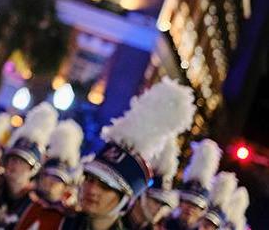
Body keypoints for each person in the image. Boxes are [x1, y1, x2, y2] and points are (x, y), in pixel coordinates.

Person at [15, 78, 196, 230]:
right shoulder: (49, 221)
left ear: (125, 198)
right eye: (90, 179)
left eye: (106, 186)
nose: (92, 190)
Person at [0, 102, 59, 230]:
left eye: (22, 161)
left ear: (33, 169)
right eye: (13, 158)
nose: (14, 164)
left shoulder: (37, 207)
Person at [123, 137, 181, 230]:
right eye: (156, 201)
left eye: (162, 204)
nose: (159, 208)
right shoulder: (114, 222)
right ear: (140, 194)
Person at [163, 139, 222, 230]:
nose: (190, 208)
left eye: (196, 205)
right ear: (180, 203)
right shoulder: (162, 225)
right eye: (187, 201)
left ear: (202, 211)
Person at [35, 119, 84, 211]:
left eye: (58, 179)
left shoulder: (67, 214)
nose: (52, 183)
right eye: (49, 176)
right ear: (41, 177)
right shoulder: (26, 200)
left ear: (65, 187)